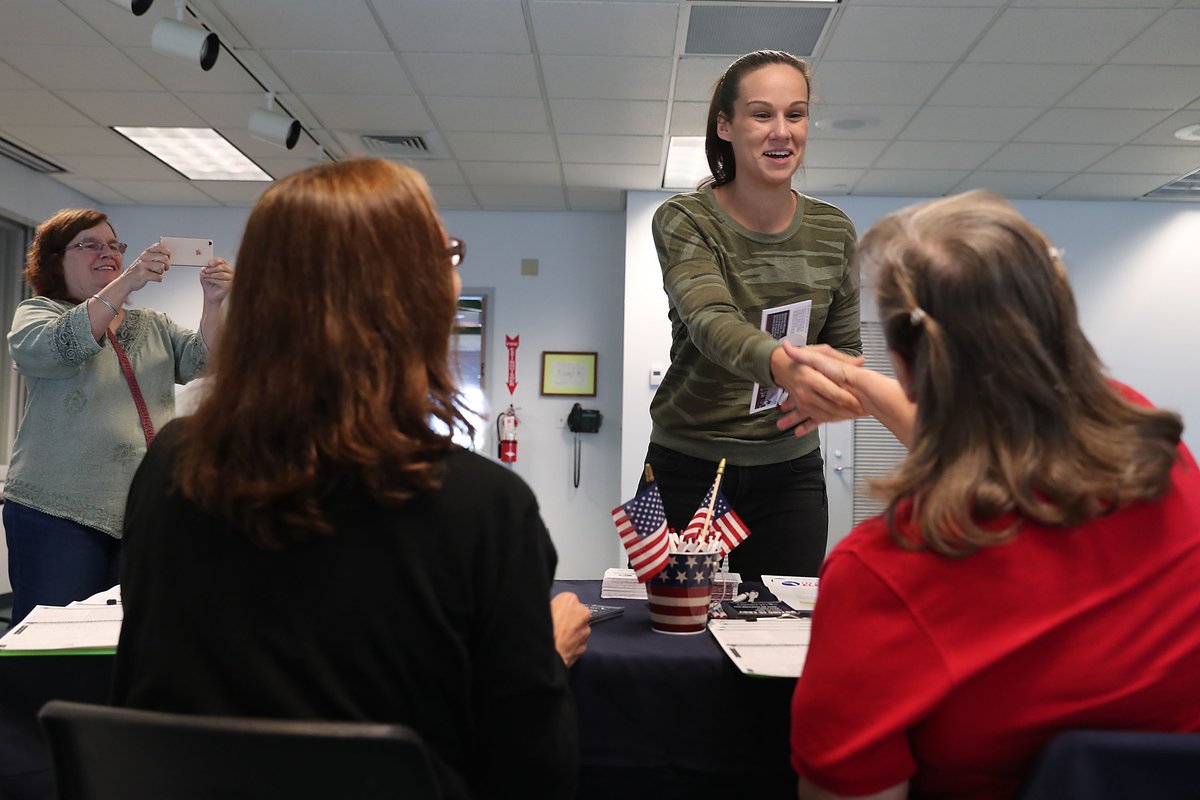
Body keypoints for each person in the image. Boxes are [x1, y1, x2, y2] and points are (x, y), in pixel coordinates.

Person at [111, 159, 579, 800]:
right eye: (443, 254)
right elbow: (531, 771)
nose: (455, 270)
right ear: (411, 297)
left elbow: (144, 699)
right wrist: (545, 656)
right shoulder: (484, 508)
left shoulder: (173, 465)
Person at [785, 190, 1200, 800]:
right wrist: (864, 385)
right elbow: (998, 421)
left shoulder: (884, 574)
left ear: (902, 359)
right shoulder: (1159, 454)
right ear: (1059, 318)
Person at [641, 49, 863, 581]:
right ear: (726, 125)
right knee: (677, 635)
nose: (782, 131)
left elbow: (848, 349)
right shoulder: (684, 219)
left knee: (782, 641)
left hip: (790, 471)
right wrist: (786, 365)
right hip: (686, 464)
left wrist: (830, 394)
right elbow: (710, 321)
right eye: (762, 114)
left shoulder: (835, 231)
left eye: (796, 114)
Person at [3, 209, 231, 626]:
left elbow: (203, 361)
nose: (107, 252)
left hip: (141, 511)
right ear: (55, 259)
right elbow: (59, 349)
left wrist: (214, 303)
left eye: (113, 245)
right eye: (89, 244)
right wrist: (127, 282)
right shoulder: (38, 313)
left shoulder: (153, 324)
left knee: (132, 636)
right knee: (52, 636)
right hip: (59, 510)